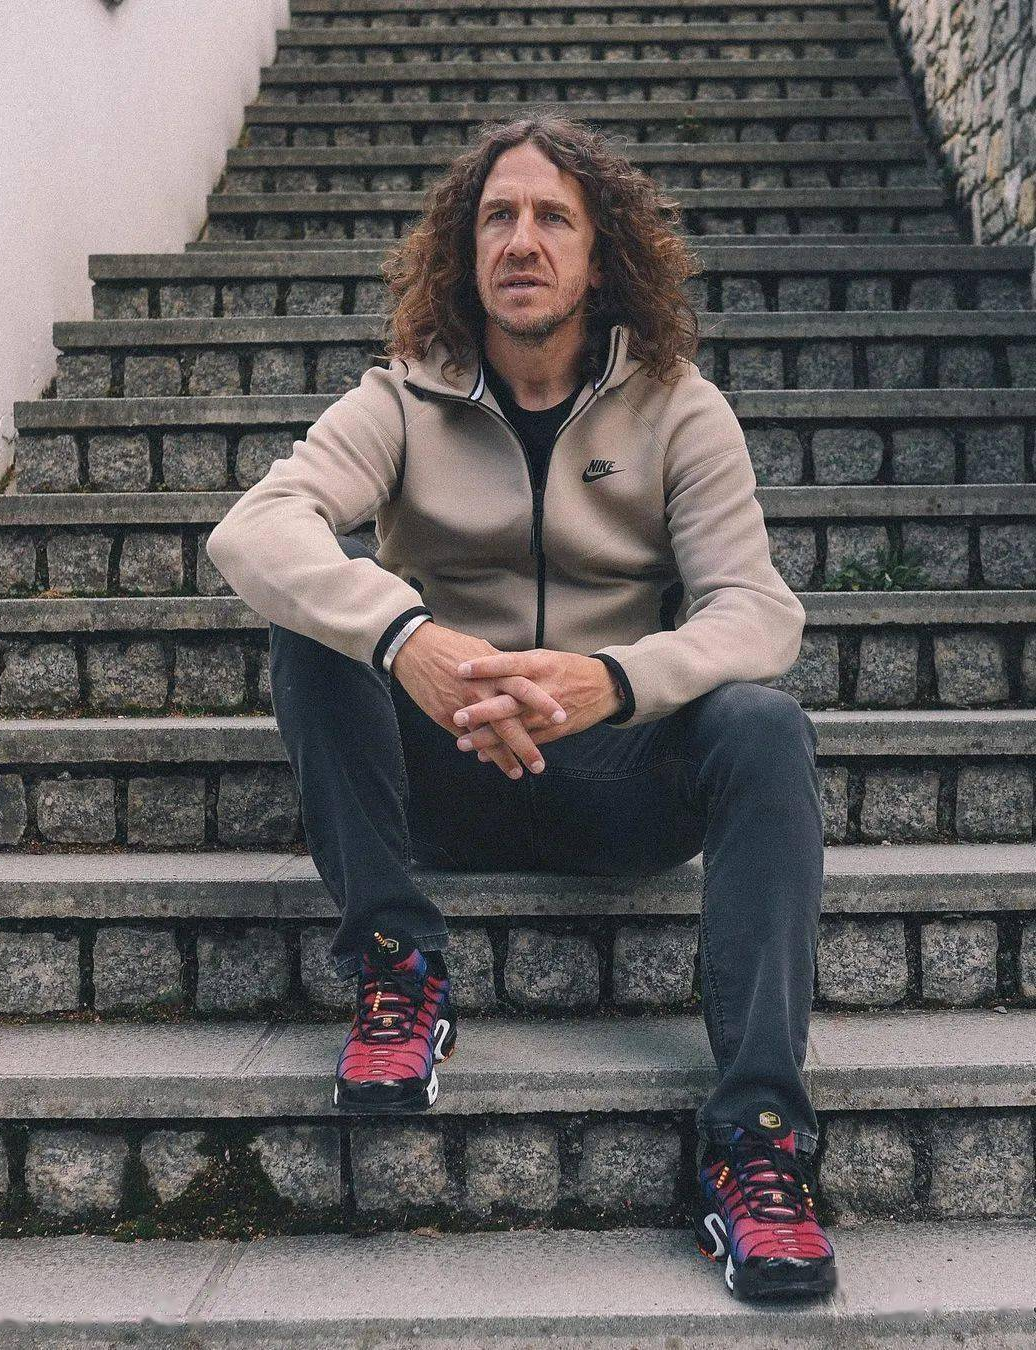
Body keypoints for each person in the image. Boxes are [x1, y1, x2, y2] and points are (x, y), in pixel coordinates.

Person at [206, 113, 836, 1302]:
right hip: (437, 779)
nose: (522, 240)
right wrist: (409, 639)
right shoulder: (402, 399)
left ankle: (758, 1140)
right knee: (315, 630)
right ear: (466, 250)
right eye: (498, 216)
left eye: (554, 217)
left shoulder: (679, 409)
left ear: (600, 258)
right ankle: (398, 960)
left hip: (617, 783)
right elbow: (254, 529)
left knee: (764, 726)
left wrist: (612, 682)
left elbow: (759, 612)